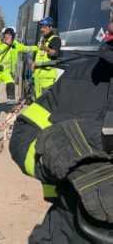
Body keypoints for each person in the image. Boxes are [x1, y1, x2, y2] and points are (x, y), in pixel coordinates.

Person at [10, 22, 113, 243]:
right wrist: (47, 162)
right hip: (64, 225)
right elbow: (23, 132)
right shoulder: (81, 73)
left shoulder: (54, 42)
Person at [0, 27, 38, 120]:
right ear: (3, 35)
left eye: (10, 35)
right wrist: (5, 44)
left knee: (10, 83)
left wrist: (38, 48)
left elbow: (25, 48)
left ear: (13, 36)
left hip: (6, 71)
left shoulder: (15, 44)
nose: (8, 37)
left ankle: (11, 105)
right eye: (6, 34)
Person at [33, 17, 62, 98]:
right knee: (38, 101)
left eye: (44, 27)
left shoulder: (55, 39)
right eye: (41, 27)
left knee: (46, 103)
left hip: (47, 79)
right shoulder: (43, 40)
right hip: (38, 77)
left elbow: (55, 53)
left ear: (50, 27)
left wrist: (44, 48)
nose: (42, 29)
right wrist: (34, 64)